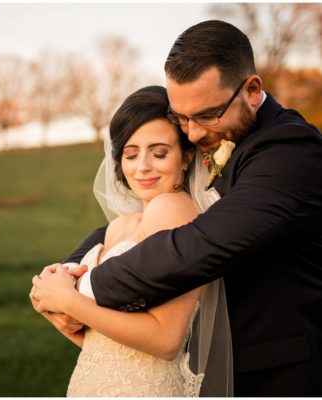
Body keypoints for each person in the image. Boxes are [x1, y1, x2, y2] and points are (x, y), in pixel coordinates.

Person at [33, 20, 322, 396]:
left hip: (279, 376)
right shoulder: (213, 138)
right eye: (182, 118)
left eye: (207, 115)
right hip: (209, 369)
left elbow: (198, 245)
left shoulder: (290, 153)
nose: (194, 133)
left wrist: (79, 292)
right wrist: (66, 270)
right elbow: (123, 233)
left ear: (252, 90)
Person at [31, 85, 233, 396]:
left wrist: (68, 301)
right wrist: (55, 305)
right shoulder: (117, 228)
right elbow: (98, 339)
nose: (142, 167)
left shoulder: (175, 209)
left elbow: (167, 341)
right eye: (131, 153)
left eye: (159, 152)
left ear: (185, 158)